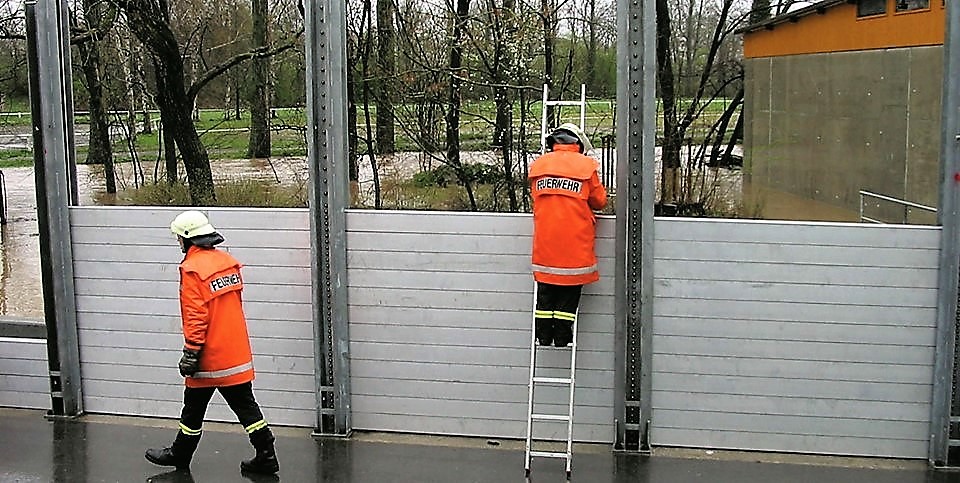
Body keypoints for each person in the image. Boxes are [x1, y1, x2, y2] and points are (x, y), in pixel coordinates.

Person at [145, 210, 279, 475]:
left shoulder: (192, 269)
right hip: (235, 353)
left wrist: (192, 352)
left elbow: (196, 315)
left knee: (193, 407)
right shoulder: (228, 262)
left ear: (186, 239)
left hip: (209, 355)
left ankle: (180, 454)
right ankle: (266, 453)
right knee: (246, 407)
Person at [529, 123, 608, 347]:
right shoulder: (586, 166)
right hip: (575, 243)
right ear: (578, 144)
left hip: (545, 243)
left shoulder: (538, 166)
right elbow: (599, 202)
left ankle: (543, 336)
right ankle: (562, 338)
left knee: (545, 292)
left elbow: (538, 199)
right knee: (569, 292)